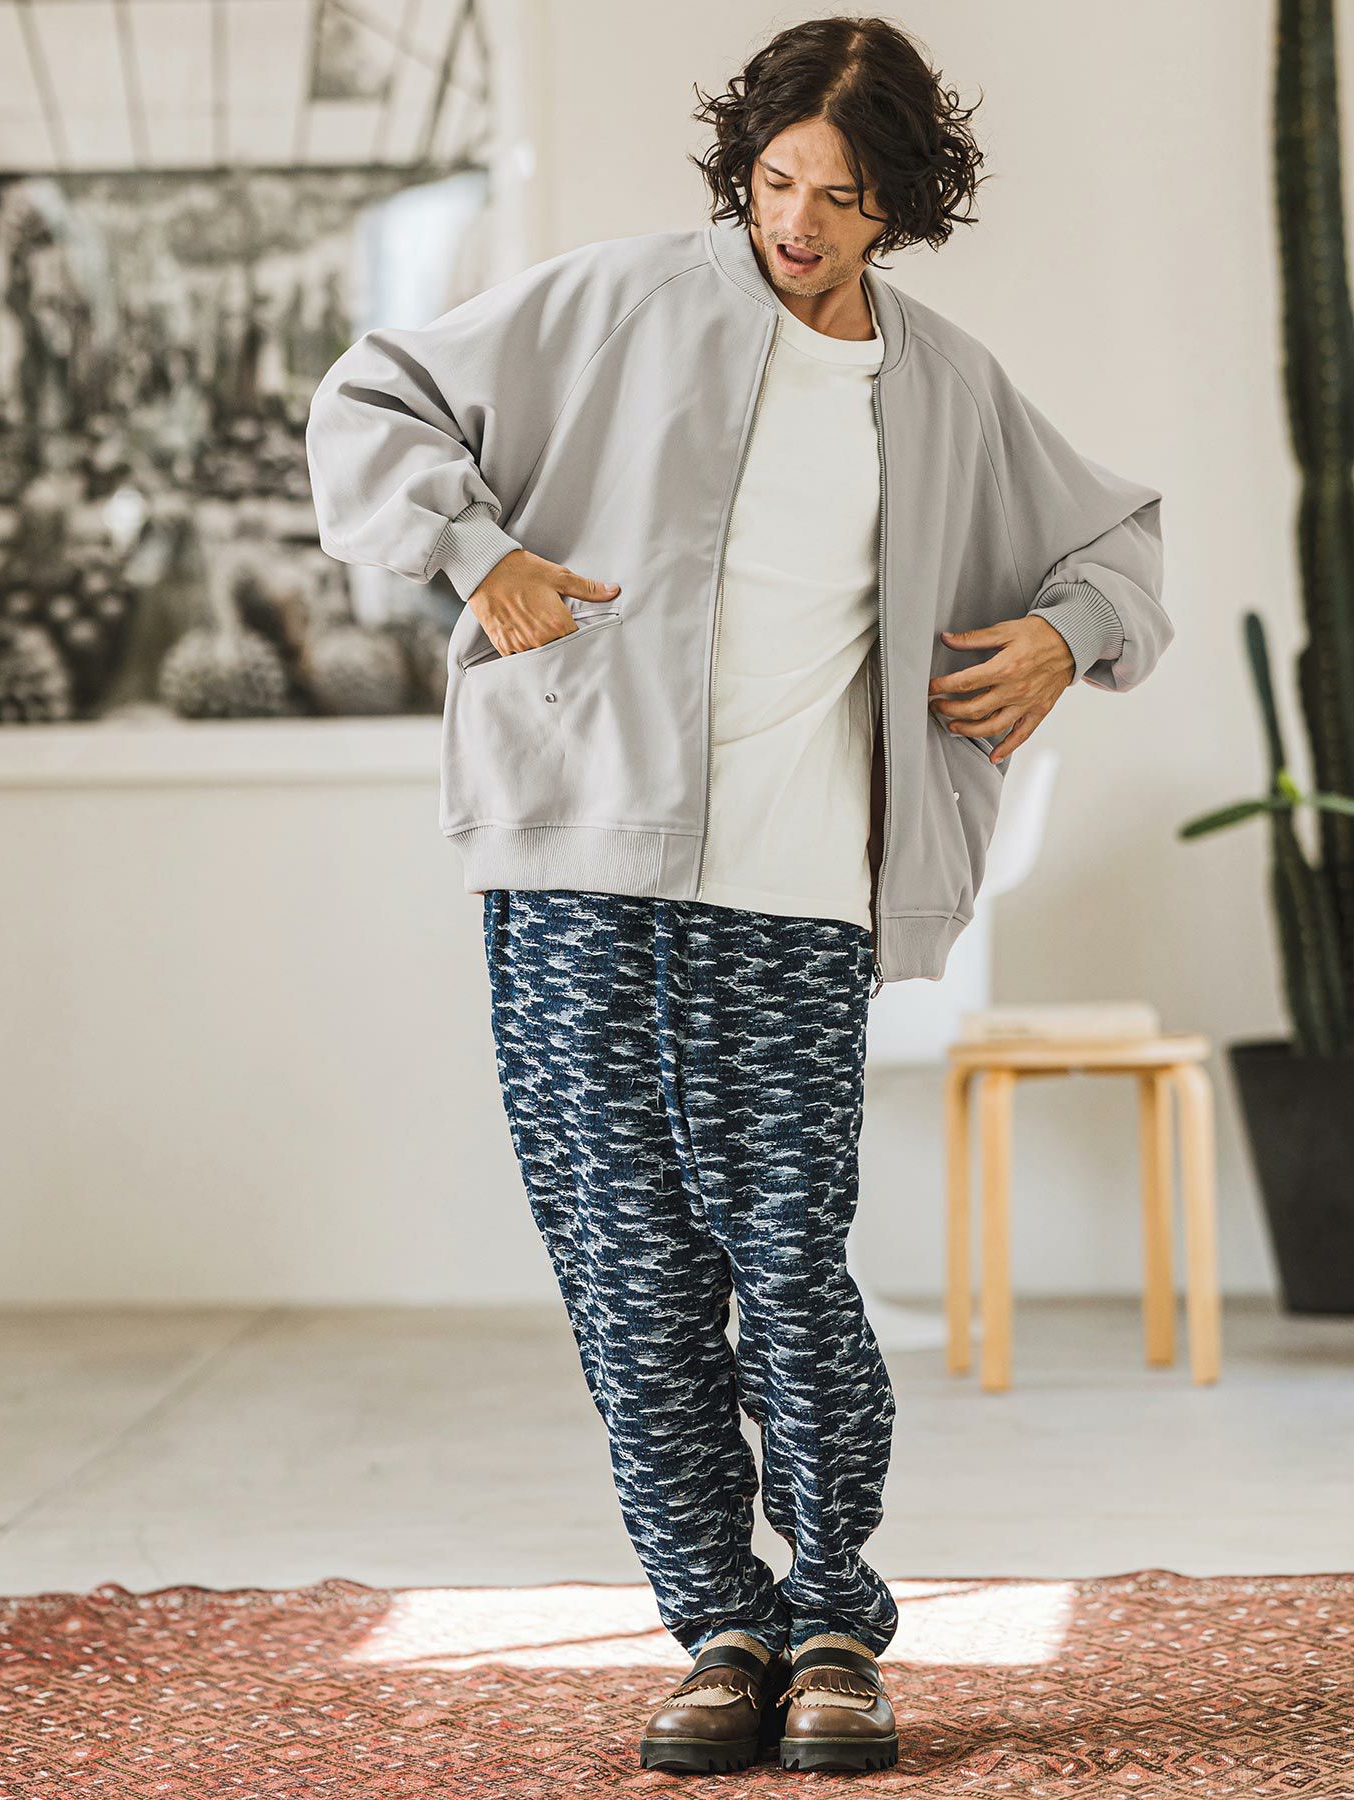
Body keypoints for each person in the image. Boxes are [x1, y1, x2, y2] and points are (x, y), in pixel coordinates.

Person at [305, 14, 1171, 1775]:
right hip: (578, 869)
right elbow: (370, 397)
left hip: (798, 892)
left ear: (899, 204)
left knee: (788, 1264)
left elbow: (1121, 544)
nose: (798, 222)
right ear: (743, 170)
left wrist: (1065, 636)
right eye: (777, 181)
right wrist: (479, 551)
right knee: (629, 1273)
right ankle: (718, 1626)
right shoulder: (616, 301)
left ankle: (835, 1619)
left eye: (841, 197)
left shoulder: (943, 385)